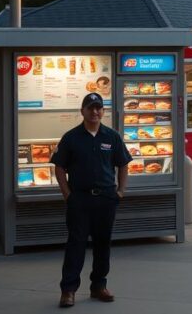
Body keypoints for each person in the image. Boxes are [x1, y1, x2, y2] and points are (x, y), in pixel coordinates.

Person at [51, 92, 132, 308]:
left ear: (102, 111)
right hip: (80, 200)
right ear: (82, 111)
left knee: (103, 244)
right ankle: (68, 290)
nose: (95, 112)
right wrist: (68, 195)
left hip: (106, 199)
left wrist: (121, 191)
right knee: (76, 244)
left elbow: (123, 164)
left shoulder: (111, 136)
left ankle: (99, 286)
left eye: (99, 108)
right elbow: (59, 167)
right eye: (90, 108)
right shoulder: (71, 137)